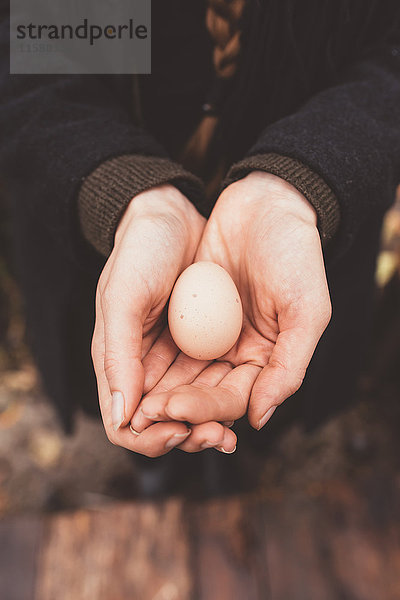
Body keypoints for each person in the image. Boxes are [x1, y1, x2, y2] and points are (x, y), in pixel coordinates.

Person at [0, 1, 399, 492]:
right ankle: (158, 471)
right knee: (138, 383)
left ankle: (243, 458)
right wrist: (119, 181)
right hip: (104, 235)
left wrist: (305, 177)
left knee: (264, 394)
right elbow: (29, 42)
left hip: (305, 239)